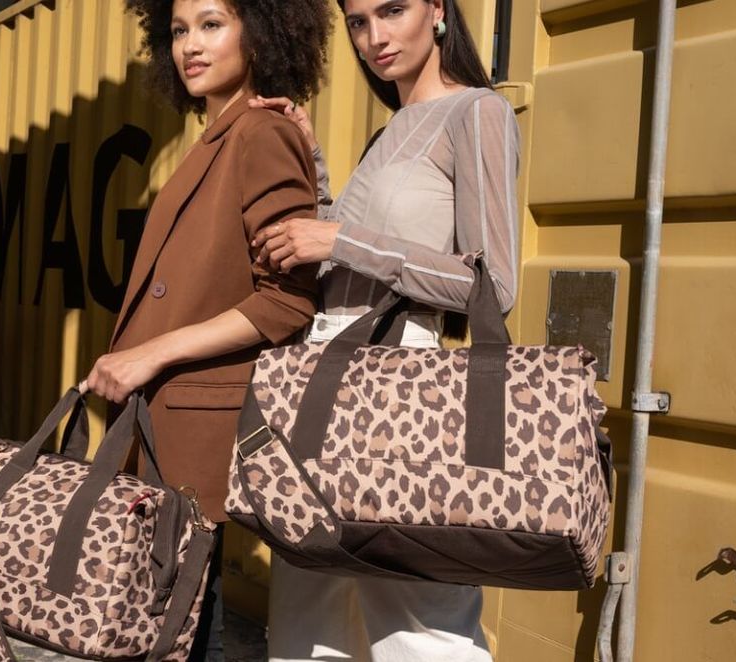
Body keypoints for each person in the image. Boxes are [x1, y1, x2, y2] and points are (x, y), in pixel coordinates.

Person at [248, 0, 520, 659]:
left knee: (419, 624)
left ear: (437, 10)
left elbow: (491, 285)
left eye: (393, 10)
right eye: (358, 21)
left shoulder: (477, 112)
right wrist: (310, 162)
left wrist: (339, 237)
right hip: (325, 377)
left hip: (402, 383)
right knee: (309, 613)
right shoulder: (387, 133)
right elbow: (342, 265)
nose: (375, 37)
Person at [81, 0, 331, 659]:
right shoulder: (222, 134)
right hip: (167, 421)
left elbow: (287, 301)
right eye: (179, 30)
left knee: (179, 632)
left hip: (198, 428)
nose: (190, 45)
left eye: (212, 24)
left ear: (262, 33)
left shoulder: (261, 134)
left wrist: (150, 354)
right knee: (172, 629)